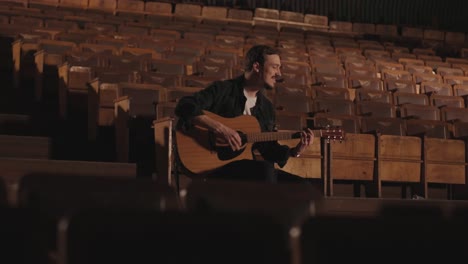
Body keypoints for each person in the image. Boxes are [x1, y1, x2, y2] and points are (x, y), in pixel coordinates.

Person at [174, 45, 314, 183]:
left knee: (302, 187)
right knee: (265, 172)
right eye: (275, 67)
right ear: (257, 67)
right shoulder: (223, 90)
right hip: (215, 165)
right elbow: (185, 105)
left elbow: (268, 150)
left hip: (245, 168)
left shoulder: (266, 108)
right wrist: (219, 128)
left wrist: (295, 150)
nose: (279, 73)